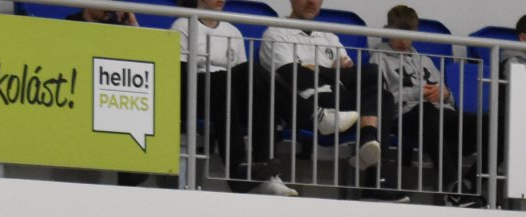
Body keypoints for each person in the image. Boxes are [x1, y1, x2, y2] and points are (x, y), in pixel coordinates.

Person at [177, 0, 300, 196]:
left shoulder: (233, 30)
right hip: (194, 94)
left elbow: (243, 81)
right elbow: (180, 74)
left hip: (225, 94)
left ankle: (266, 174)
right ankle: (303, 111)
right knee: (232, 78)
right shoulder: (183, 25)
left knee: (260, 97)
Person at [260, 0, 382, 177]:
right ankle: (373, 173)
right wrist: (332, 71)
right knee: (374, 96)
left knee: (377, 82)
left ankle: (369, 150)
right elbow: (295, 77)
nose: (312, 2)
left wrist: (315, 68)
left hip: (340, 100)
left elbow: (351, 76)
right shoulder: (276, 33)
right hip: (305, 105)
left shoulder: (329, 37)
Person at [371, 5, 477, 200]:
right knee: (427, 111)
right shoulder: (379, 58)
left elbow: (449, 98)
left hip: (439, 112)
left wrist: (445, 94)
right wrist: (418, 93)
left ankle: (472, 182)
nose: (404, 40)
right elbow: (383, 99)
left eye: (409, 34)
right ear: (388, 30)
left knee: (482, 124)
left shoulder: (425, 60)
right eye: (398, 33)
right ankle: (454, 184)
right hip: (405, 116)